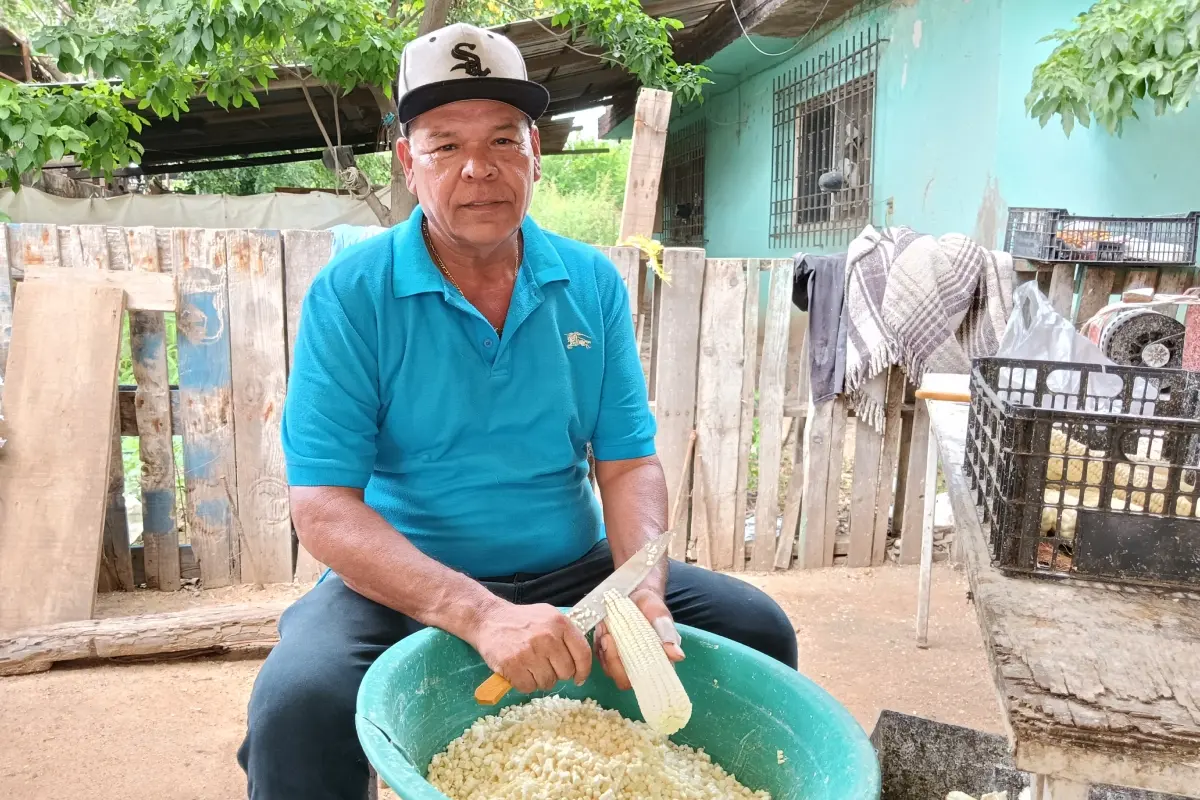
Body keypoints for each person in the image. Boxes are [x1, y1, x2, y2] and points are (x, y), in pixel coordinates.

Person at [237, 21, 798, 799]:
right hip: (406, 583)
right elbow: (323, 509)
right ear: (407, 160)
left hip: (576, 568)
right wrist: (477, 613)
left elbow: (629, 460)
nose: (480, 169)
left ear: (536, 151)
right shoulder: (353, 294)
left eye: (504, 139)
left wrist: (641, 587)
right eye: (445, 145)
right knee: (296, 705)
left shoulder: (590, 283)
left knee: (757, 628)